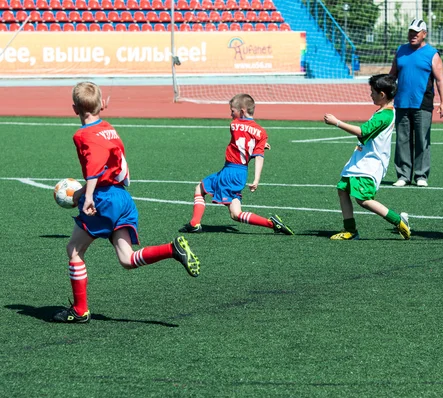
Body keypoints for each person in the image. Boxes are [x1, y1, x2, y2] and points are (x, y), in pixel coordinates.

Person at [53, 81, 200, 324]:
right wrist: (83, 192)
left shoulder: (82, 135)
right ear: (102, 105)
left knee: (74, 250)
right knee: (127, 259)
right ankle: (172, 249)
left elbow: (94, 167)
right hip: (122, 197)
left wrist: (88, 195)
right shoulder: (109, 128)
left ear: (74, 108)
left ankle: (80, 311)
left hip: (104, 198)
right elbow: (107, 165)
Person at [179, 93, 294, 236]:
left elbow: (241, 140)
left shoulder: (234, 125)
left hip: (230, 171)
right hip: (241, 174)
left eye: (233, 110)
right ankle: (272, 224)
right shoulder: (262, 133)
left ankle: (194, 223)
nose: (231, 114)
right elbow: (258, 156)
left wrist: (253, 146)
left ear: (242, 111)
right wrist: (256, 179)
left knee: (200, 188)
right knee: (235, 214)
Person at [323, 74, 411, 241]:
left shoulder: (384, 116)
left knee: (363, 199)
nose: (371, 95)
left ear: (382, 94)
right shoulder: (383, 112)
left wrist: (336, 122)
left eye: (373, 92)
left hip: (370, 164)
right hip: (361, 160)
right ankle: (350, 230)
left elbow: (363, 132)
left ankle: (398, 221)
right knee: (342, 189)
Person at [389, 18, 443, 188]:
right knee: (402, 140)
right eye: (410, 32)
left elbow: (440, 80)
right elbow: (392, 76)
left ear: (424, 34)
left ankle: (421, 175)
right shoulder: (400, 51)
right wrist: (384, 95)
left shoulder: (432, 54)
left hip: (423, 103)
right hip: (401, 102)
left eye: (416, 32)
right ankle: (403, 175)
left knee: (422, 139)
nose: (412, 35)